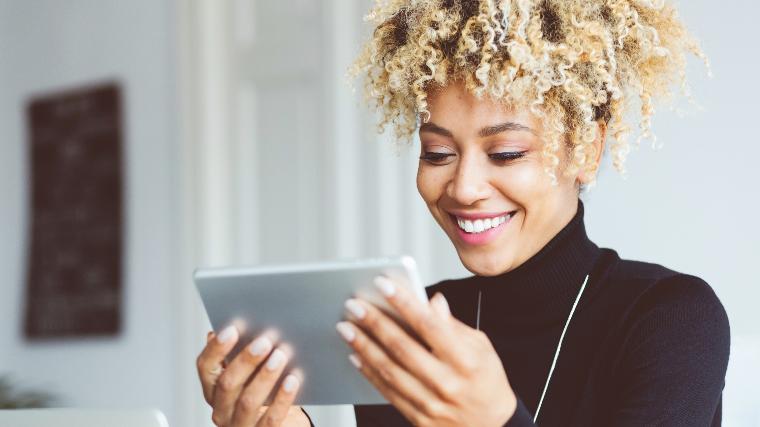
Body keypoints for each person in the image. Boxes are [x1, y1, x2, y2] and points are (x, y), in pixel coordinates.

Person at [195, 0, 730, 426]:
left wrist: (494, 421)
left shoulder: (671, 319)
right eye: (438, 154)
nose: (465, 187)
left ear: (586, 149)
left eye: (506, 154)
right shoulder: (415, 329)